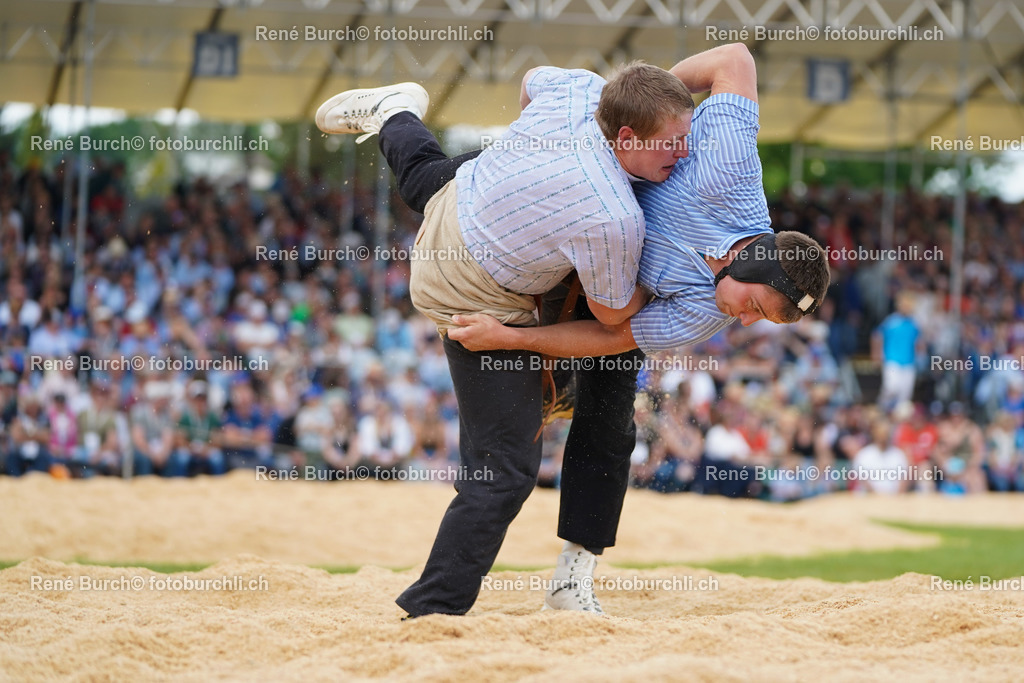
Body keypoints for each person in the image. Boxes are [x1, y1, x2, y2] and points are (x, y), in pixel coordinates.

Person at [448, 44, 830, 612]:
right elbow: (736, 59)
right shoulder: (731, 171)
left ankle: (574, 574)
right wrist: (647, 111)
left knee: (611, 421)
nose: (745, 321)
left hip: (609, 293)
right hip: (563, 230)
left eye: (761, 320)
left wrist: (514, 340)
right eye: (756, 306)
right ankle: (398, 121)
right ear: (753, 260)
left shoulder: (708, 310)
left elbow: (612, 338)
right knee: (444, 184)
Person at [316, 60, 695, 617]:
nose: (685, 152)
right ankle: (433, 609)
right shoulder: (613, 217)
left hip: (463, 194)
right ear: (626, 135)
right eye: (672, 142)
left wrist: (524, 172)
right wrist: (661, 288)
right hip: (465, 289)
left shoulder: (581, 89)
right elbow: (613, 313)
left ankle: (395, 112)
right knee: (505, 470)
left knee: (426, 179)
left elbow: (532, 80)